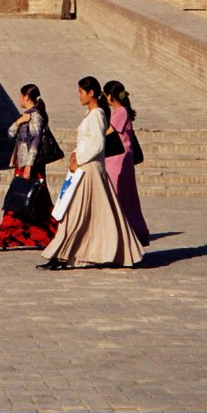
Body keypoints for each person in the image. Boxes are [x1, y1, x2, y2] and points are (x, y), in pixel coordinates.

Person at [37, 76, 144, 270]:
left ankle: (63, 255)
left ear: (91, 93)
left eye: (80, 91)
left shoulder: (97, 115)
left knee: (78, 214)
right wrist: (75, 154)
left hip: (90, 170)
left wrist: (79, 160)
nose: (78, 95)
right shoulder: (92, 114)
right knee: (87, 214)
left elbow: (97, 144)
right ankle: (63, 254)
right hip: (85, 168)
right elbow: (87, 142)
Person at [0, 83, 58, 251]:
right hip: (22, 166)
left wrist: (29, 165)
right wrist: (19, 121)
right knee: (38, 205)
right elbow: (10, 133)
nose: (19, 99)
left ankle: (1, 239)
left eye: (20, 96)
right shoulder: (26, 116)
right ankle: (55, 237)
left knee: (16, 202)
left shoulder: (36, 116)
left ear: (26, 97)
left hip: (31, 168)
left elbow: (36, 142)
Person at [103, 80, 150, 246]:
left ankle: (125, 232)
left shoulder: (120, 111)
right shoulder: (119, 111)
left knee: (119, 196)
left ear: (110, 96)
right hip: (116, 159)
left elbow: (110, 132)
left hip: (119, 160)